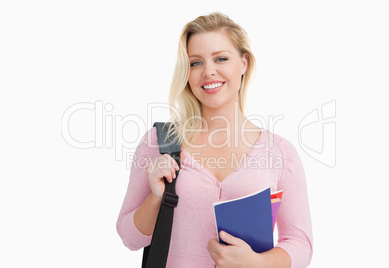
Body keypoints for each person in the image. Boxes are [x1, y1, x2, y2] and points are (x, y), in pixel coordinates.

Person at [116, 12, 313, 268]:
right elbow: (129, 238)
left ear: (243, 63)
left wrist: (256, 262)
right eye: (195, 63)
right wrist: (156, 198)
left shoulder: (279, 152)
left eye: (221, 58)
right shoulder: (159, 142)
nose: (208, 72)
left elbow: (300, 243)